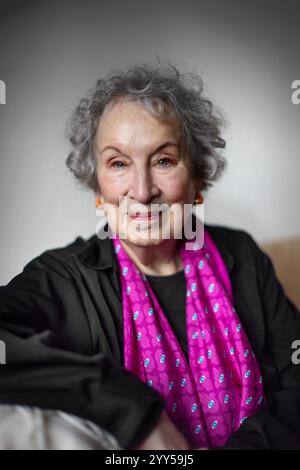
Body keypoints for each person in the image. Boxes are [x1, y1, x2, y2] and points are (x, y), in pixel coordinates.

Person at [1, 61, 300, 450]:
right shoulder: (63, 277)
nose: (142, 191)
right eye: (118, 163)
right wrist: (133, 412)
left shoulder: (241, 255)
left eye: (163, 160)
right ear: (97, 188)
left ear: (197, 179)